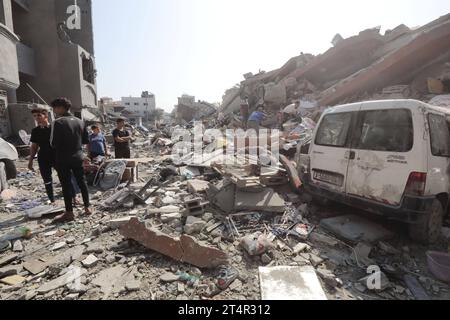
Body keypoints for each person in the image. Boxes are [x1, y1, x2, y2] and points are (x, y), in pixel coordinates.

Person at [50, 98, 92, 223]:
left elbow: (53, 143)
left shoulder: (57, 122)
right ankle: (87, 207)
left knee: (66, 184)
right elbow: (85, 141)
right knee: (81, 182)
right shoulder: (80, 122)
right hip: (78, 156)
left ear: (61, 107)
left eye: (55, 108)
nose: (54, 110)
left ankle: (69, 213)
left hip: (63, 158)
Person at [28, 108, 56, 203]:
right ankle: (52, 200)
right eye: (35, 116)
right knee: (47, 180)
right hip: (43, 157)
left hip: (56, 156)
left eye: (39, 115)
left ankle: (73, 197)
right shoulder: (35, 131)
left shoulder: (54, 128)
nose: (37, 118)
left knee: (64, 177)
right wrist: (31, 160)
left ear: (46, 116)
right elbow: (34, 146)